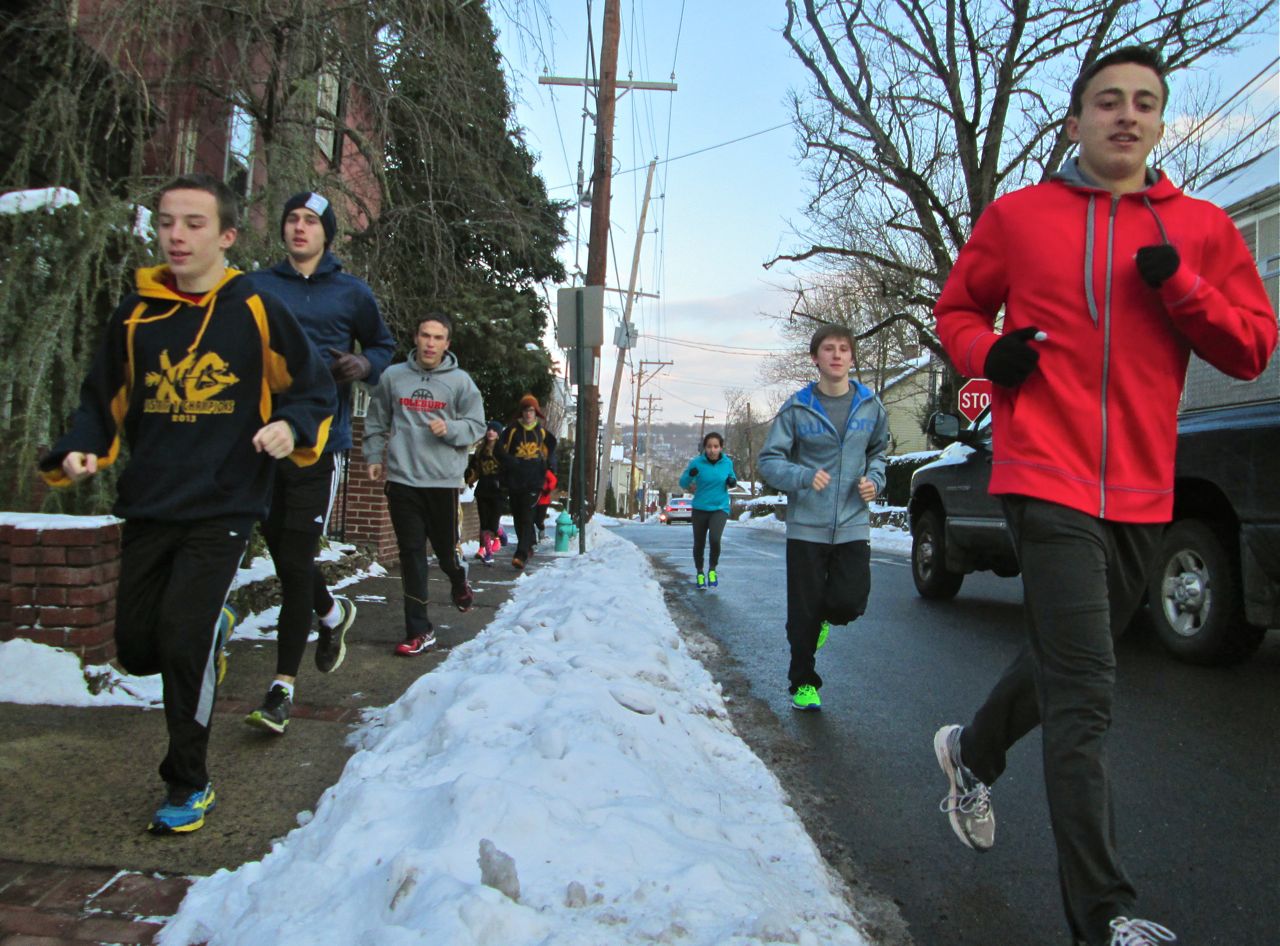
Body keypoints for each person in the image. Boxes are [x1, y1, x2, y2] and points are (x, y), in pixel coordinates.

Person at [930, 46, 1276, 946]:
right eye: (1108, 101)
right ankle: (1106, 915)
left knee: (1065, 660)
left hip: (1139, 485)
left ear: (1161, 123)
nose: (1127, 115)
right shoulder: (1021, 217)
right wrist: (985, 355)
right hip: (1042, 473)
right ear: (1076, 120)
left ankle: (970, 750)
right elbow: (957, 310)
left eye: (1146, 104)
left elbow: (1250, 348)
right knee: (1088, 689)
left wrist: (1183, 287)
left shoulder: (1197, 228)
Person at [38, 174, 335, 834]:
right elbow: (101, 402)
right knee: (137, 647)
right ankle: (214, 630)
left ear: (227, 236)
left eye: (194, 223)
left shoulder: (257, 308)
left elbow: (313, 390)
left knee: (182, 637)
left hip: (226, 502)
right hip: (151, 500)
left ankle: (187, 783)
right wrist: (80, 448)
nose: (176, 234)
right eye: (167, 221)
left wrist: (291, 425)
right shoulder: (137, 314)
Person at [241, 191, 396, 735]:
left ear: (327, 233)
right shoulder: (258, 286)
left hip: (320, 441)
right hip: (259, 437)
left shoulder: (351, 292)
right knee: (287, 558)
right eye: (292, 220)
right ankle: (331, 614)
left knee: (296, 554)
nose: (299, 228)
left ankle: (281, 688)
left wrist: (362, 362)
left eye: (310, 221)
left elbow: (383, 346)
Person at [758, 324, 888, 712]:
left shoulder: (871, 406)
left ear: (851, 358)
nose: (836, 355)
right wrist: (802, 477)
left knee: (850, 601)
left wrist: (875, 481)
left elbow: (880, 451)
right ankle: (803, 683)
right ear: (815, 358)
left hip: (852, 521)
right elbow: (769, 461)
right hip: (807, 527)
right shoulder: (798, 407)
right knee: (803, 613)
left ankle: (824, 619)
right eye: (828, 349)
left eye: (844, 349)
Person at [363, 313, 485, 656]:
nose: (430, 343)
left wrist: (451, 430)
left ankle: (458, 579)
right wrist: (374, 456)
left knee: (446, 552)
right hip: (402, 480)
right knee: (412, 554)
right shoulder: (393, 377)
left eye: (438, 337)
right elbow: (377, 420)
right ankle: (419, 629)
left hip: (443, 483)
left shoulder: (460, 382)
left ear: (447, 344)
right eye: (425, 335)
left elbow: (476, 425)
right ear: (416, 338)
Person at [496, 394, 557, 569]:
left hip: (534, 480)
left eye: (531, 410)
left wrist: (547, 465)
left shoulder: (541, 432)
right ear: (521, 412)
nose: (528, 414)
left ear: (536, 413)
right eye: (525, 410)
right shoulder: (512, 431)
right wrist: (510, 462)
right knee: (518, 515)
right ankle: (527, 545)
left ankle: (521, 554)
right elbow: (499, 451)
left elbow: (551, 446)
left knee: (527, 515)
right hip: (516, 479)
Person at [678, 431, 739, 589]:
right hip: (700, 508)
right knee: (699, 543)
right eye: (709, 447)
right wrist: (690, 475)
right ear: (704, 448)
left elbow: (732, 479)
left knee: (715, 539)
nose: (712, 450)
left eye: (716, 446)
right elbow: (683, 483)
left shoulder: (727, 463)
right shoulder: (697, 463)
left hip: (720, 507)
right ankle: (699, 573)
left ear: (721, 448)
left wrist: (732, 481)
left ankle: (712, 569)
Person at [465, 420, 507, 565]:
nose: (491, 432)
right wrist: (469, 478)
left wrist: (504, 484)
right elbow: (474, 467)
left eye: (494, 430)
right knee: (484, 524)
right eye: (489, 429)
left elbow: (509, 469)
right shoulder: (480, 450)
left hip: (498, 491)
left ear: (498, 434)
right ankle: (488, 553)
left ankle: (499, 532)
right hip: (482, 490)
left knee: (493, 524)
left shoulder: (502, 450)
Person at [534, 468, 558, 544]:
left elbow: (553, 480)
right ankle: (530, 539)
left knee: (539, 520)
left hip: (543, 500)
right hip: (531, 499)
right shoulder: (530, 468)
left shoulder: (544, 470)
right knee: (530, 519)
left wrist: (548, 489)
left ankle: (541, 533)